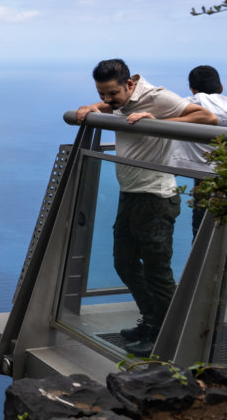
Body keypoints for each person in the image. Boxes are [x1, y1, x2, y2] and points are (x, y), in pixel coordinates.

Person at [75, 59, 217, 356]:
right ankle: (152, 320)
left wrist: (156, 122)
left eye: (111, 94)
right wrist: (92, 107)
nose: (107, 100)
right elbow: (112, 107)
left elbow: (207, 118)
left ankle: (166, 334)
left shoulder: (158, 97)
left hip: (156, 197)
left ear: (129, 84)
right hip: (131, 193)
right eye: (102, 94)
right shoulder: (121, 99)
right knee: (123, 262)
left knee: (157, 272)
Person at [169, 65, 227, 239]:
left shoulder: (192, 105)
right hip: (223, 174)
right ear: (221, 87)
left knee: (202, 236)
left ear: (193, 89)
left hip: (204, 180)